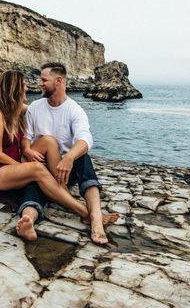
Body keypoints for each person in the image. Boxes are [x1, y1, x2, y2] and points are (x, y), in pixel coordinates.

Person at [0, 70, 94, 241]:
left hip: (13, 164)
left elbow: (41, 110)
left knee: (49, 140)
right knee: (38, 169)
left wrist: (65, 112)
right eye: (23, 86)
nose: (26, 88)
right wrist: (25, 167)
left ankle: (61, 187)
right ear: (14, 89)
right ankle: (83, 211)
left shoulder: (17, 109)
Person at [21, 63, 118, 244]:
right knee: (34, 187)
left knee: (83, 159)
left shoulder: (75, 110)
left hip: (64, 170)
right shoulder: (35, 107)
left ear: (58, 81)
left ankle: (96, 220)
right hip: (41, 165)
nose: (40, 83)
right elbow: (26, 137)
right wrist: (26, 148)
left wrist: (69, 158)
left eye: (44, 80)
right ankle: (28, 222)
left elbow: (85, 139)